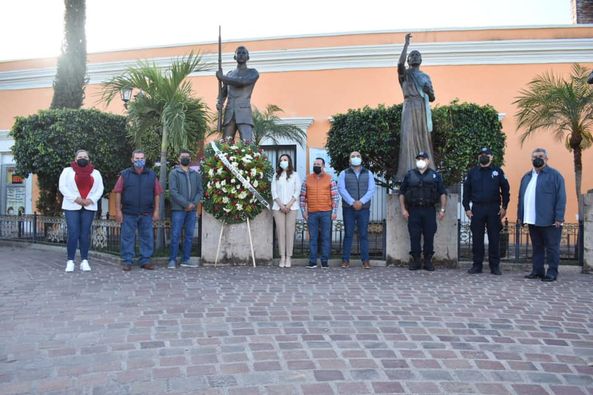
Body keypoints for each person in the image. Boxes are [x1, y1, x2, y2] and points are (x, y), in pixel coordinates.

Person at [517, 148, 566, 282]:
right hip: (532, 219)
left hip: (550, 220)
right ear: (531, 159)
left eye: (540, 156)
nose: (537, 159)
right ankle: (537, 270)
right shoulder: (527, 177)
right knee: (537, 246)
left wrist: (559, 217)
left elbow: (561, 197)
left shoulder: (555, 175)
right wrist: (520, 216)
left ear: (546, 159)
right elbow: (521, 197)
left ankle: (552, 272)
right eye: (534, 157)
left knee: (552, 247)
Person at [395, 33, 436, 181]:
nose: (415, 56)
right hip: (409, 107)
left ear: (421, 60)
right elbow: (399, 65)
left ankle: (427, 170)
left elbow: (432, 97)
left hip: (422, 108)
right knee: (408, 138)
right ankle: (407, 171)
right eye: (412, 55)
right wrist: (406, 45)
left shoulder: (425, 77)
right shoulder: (404, 74)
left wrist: (428, 91)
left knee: (423, 138)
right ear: (409, 59)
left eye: (417, 54)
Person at [463, 147, 511, 275]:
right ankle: (477, 265)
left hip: (493, 209)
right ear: (478, 157)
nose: (484, 156)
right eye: (481, 154)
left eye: (487, 154)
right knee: (477, 239)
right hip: (477, 209)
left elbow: (506, 190)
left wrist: (504, 207)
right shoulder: (472, 172)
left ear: (492, 157)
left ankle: (494, 266)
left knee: (494, 238)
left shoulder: (498, 171)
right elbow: (466, 191)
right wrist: (467, 208)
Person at [113, 150, 163, 271]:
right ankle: (127, 261)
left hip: (146, 213)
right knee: (127, 238)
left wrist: (156, 211)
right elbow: (118, 192)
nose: (139, 160)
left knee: (147, 237)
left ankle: (145, 261)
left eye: (141, 158)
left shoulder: (151, 175)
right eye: (137, 158)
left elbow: (157, 194)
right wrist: (118, 211)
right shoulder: (124, 174)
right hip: (129, 213)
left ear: (145, 160)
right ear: (132, 159)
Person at [398, 151, 447, 271]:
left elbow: (442, 193)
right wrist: (403, 209)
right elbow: (401, 193)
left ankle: (428, 261)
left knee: (429, 236)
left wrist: (442, 209)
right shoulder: (409, 175)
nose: (421, 160)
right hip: (413, 210)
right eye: (419, 158)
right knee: (414, 236)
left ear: (428, 161)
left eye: (423, 158)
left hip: (429, 210)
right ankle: (416, 261)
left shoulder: (435, 175)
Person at [58, 149, 104, 272]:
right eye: (80, 156)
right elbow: (62, 187)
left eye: (85, 156)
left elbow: (100, 189)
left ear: (89, 159)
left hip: (89, 206)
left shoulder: (96, 173)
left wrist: (91, 200)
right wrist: (76, 198)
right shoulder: (67, 171)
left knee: (85, 234)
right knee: (73, 233)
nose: (82, 158)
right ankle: (70, 261)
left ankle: (84, 260)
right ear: (75, 159)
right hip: (72, 206)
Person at [337, 151, 376, 269]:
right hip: (349, 208)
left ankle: (365, 261)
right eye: (353, 156)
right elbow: (341, 189)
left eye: (358, 156)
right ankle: (345, 260)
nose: (355, 158)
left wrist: (361, 202)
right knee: (348, 234)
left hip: (364, 209)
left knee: (363, 234)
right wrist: (352, 202)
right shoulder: (343, 173)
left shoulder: (368, 173)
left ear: (361, 159)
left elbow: (371, 189)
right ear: (349, 160)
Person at [300, 158, 340, 268]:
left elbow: (335, 197)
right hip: (312, 213)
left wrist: (334, 212)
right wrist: (303, 211)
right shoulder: (307, 179)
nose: (316, 166)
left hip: (326, 212)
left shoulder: (329, 179)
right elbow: (302, 196)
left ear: (323, 166)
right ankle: (312, 262)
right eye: (314, 164)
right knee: (313, 238)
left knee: (325, 238)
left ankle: (324, 261)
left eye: (318, 164)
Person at [216, 46, 259, 143]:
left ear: (248, 57)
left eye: (244, 53)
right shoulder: (229, 74)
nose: (241, 55)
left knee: (247, 142)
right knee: (225, 145)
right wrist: (219, 102)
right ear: (234, 57)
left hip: (244, 113)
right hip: (229, 113)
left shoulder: (252, 72)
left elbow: (241, 82)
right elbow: (223, 92)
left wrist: (222, 77)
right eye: (238, 53)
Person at [168, 150, 203, 269]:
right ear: (179, 159)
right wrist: (186, 204)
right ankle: (172, 259)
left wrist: (193, 204)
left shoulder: (196, 174)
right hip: (178, 209)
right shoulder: (174, 173)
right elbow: (173, 191)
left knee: (189, 235)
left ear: (190, 159)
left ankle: (186, 259)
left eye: (187, 157)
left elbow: (200, 191)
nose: (185, 158)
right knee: (176, 234)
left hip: (192, 210)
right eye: (183, 157)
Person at [271, 154, 301, 268]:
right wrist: (281, 205)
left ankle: (289, 257)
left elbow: (297, 191)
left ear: (289, 162)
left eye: (285, 160)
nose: (283, 161)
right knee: (281, 233)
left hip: (291, 208)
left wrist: (288, 205)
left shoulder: (295, 175)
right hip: (278, 208)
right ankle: (282, 257)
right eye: (281, 160)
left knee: (289, 232)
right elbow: (274, 192)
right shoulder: (276, 175)